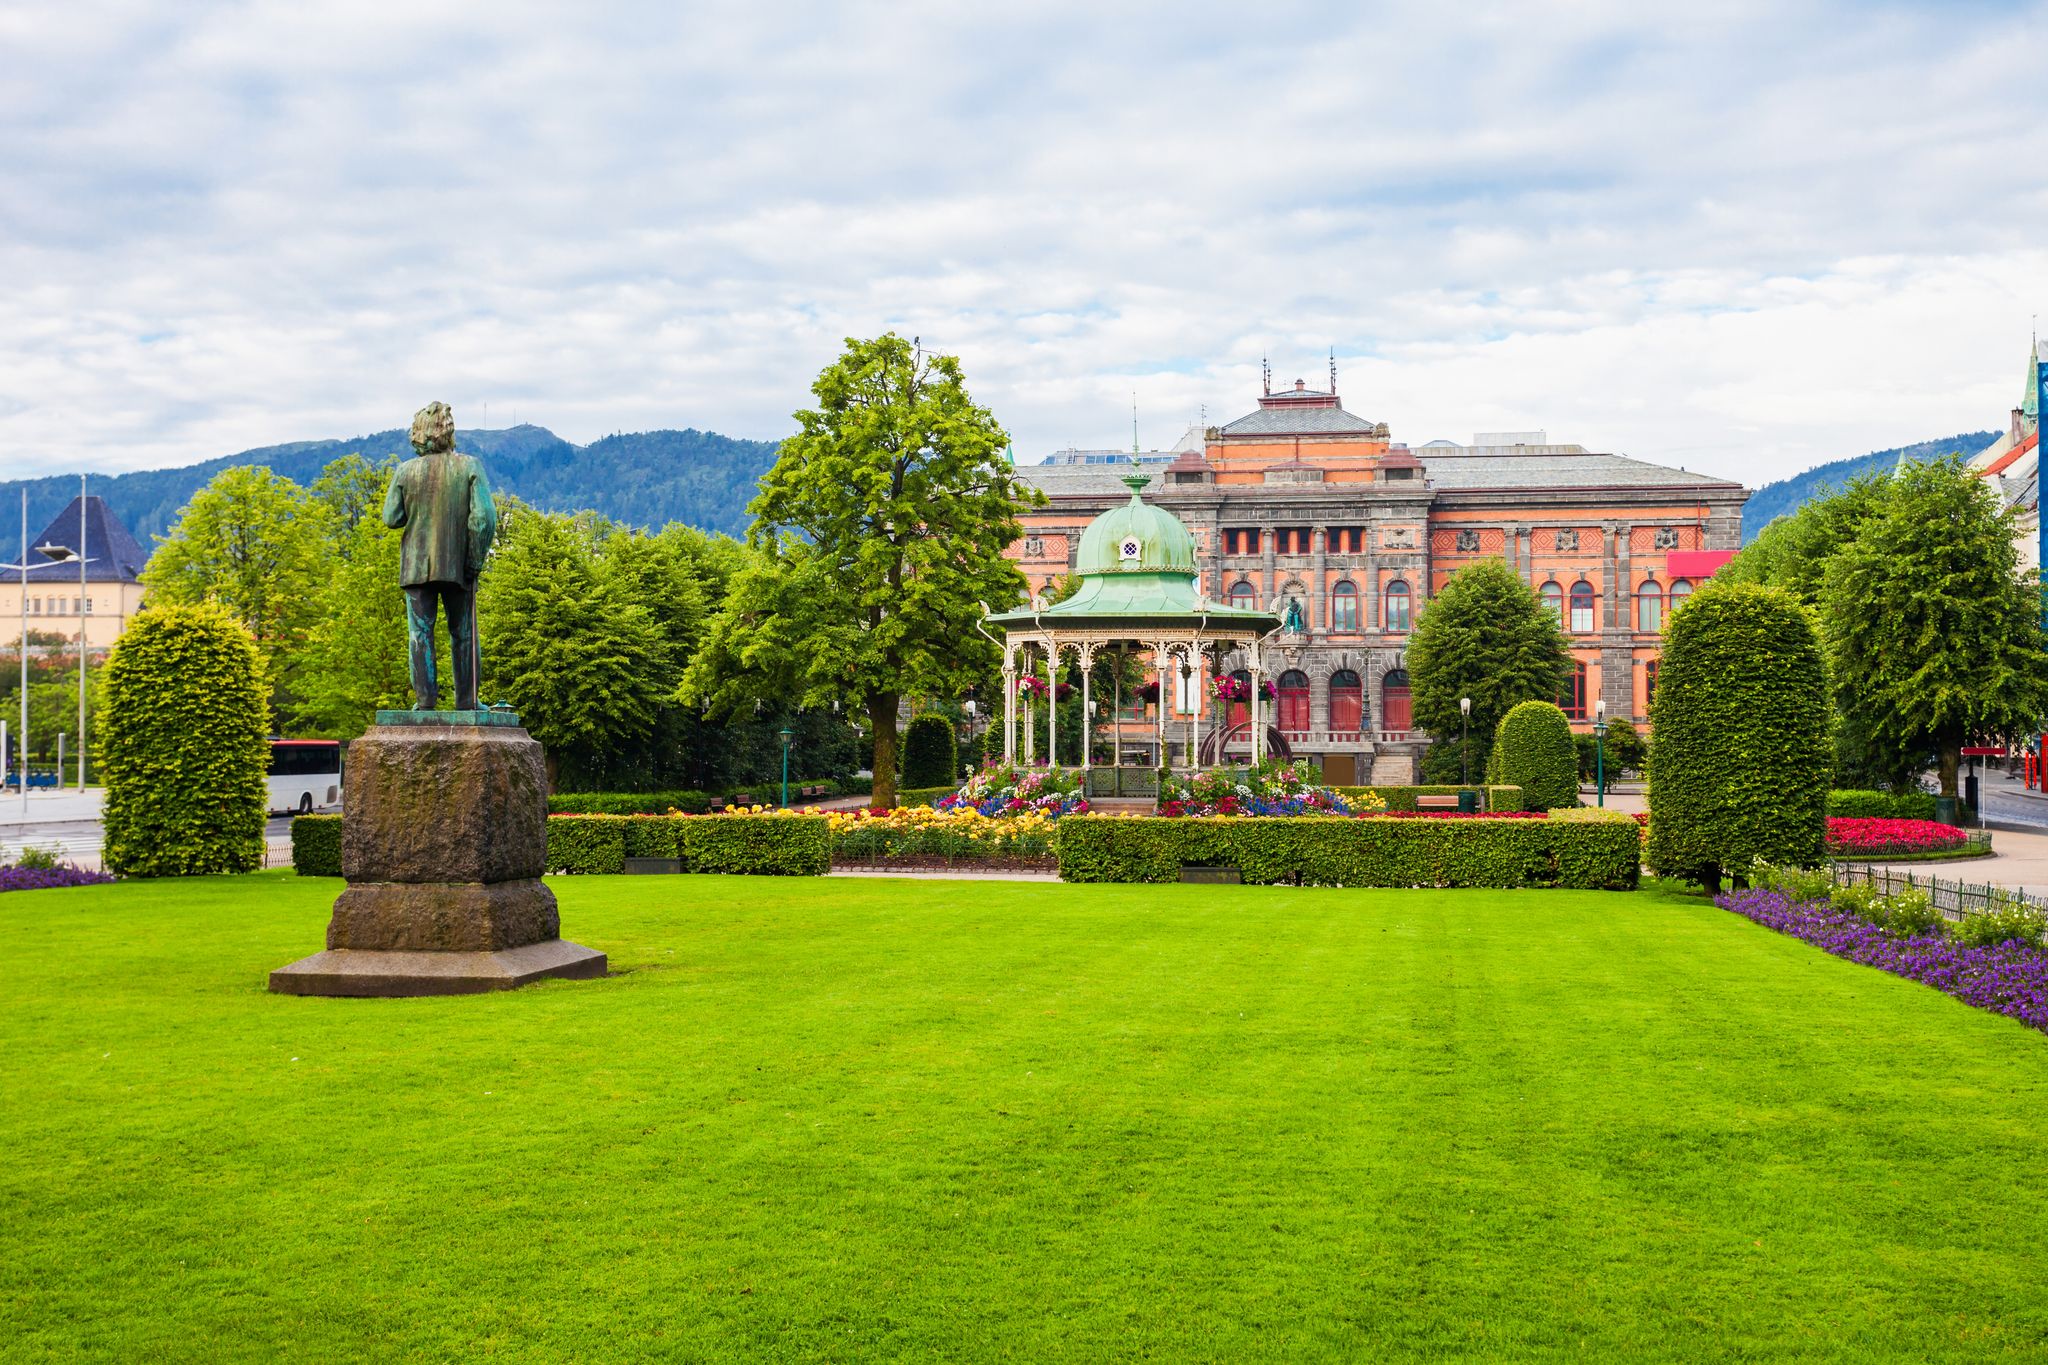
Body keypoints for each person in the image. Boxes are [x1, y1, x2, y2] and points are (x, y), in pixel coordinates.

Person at [382, 402, 498, 711]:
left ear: (419, 434)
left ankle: (425, 702)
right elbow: (484, 518)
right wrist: (473, 561)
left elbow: (391, 517)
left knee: (420, 634)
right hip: (458, 566)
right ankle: (468, 701)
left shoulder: (405, 471)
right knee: (464, 633)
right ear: (448, 432)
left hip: (415, 567)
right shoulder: (469, 466)